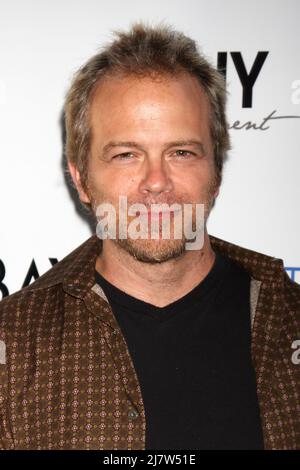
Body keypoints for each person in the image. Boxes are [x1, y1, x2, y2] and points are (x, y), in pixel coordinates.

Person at [0, 22, 299, 451]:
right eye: (126, 154)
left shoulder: (289, 319)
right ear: (81, 179)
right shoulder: (11, 345)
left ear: (215, 171)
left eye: (181, 152)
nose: (156, 182)